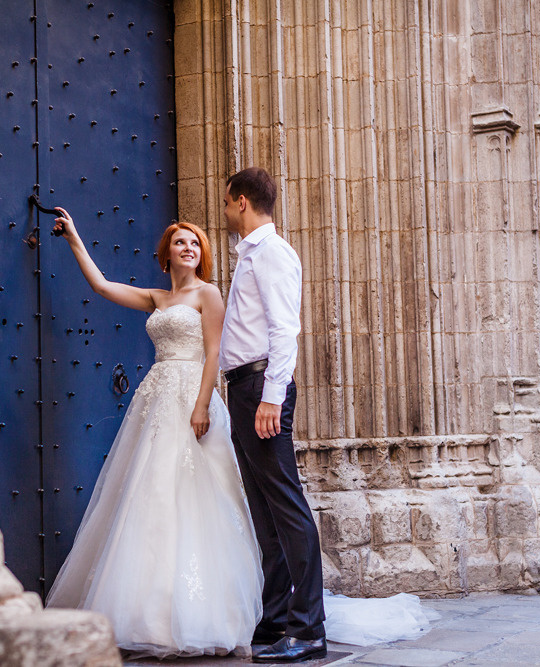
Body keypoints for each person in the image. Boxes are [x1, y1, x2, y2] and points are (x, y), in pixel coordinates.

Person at [44, 209, 264, 658]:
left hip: (191, 400)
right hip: (156, 401)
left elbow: (215, 352)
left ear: (201, 255)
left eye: (195, 243)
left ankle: (206, 616)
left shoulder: (209, 294)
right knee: (151, 495)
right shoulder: (158, 298)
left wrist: (202, 405)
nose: (188, 248)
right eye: (180, 242)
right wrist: (74, 237)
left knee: (197, 496)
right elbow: (102, 286)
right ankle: (151, 613)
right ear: (166, 254)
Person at [218, 166, 329, 663]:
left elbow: (286, 330)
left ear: (241, 201)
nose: (223, 212)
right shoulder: (251, 255)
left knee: (286, 505)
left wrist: (271, 396)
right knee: (265, 512)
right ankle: (276, 621)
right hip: (244, 389)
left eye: (225, 203)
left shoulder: (273, 253)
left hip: (262, 389)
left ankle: (309, 629)